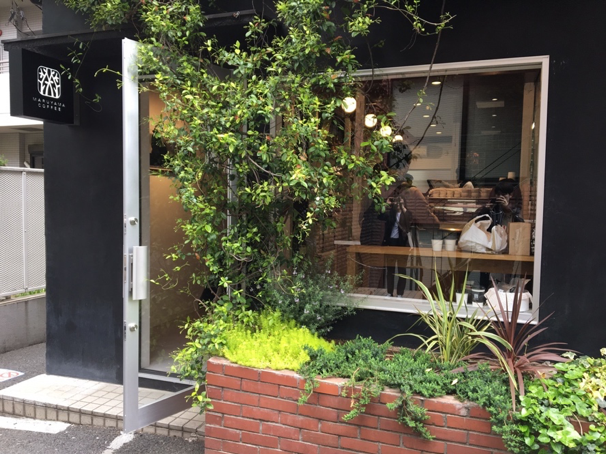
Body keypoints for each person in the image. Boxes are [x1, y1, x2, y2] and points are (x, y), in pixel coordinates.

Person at [379, 195, 413, 297]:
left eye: (400, 202)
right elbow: (380, 217)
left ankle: (400, 293)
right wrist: (386, 204)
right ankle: (390, 292)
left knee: (402, 270)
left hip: (402, 244)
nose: (398, 204)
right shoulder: (391, 214)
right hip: (391, 243)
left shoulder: (406, 214)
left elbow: (409, 223)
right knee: (390, 270)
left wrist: (403, 208)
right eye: (397, 202)